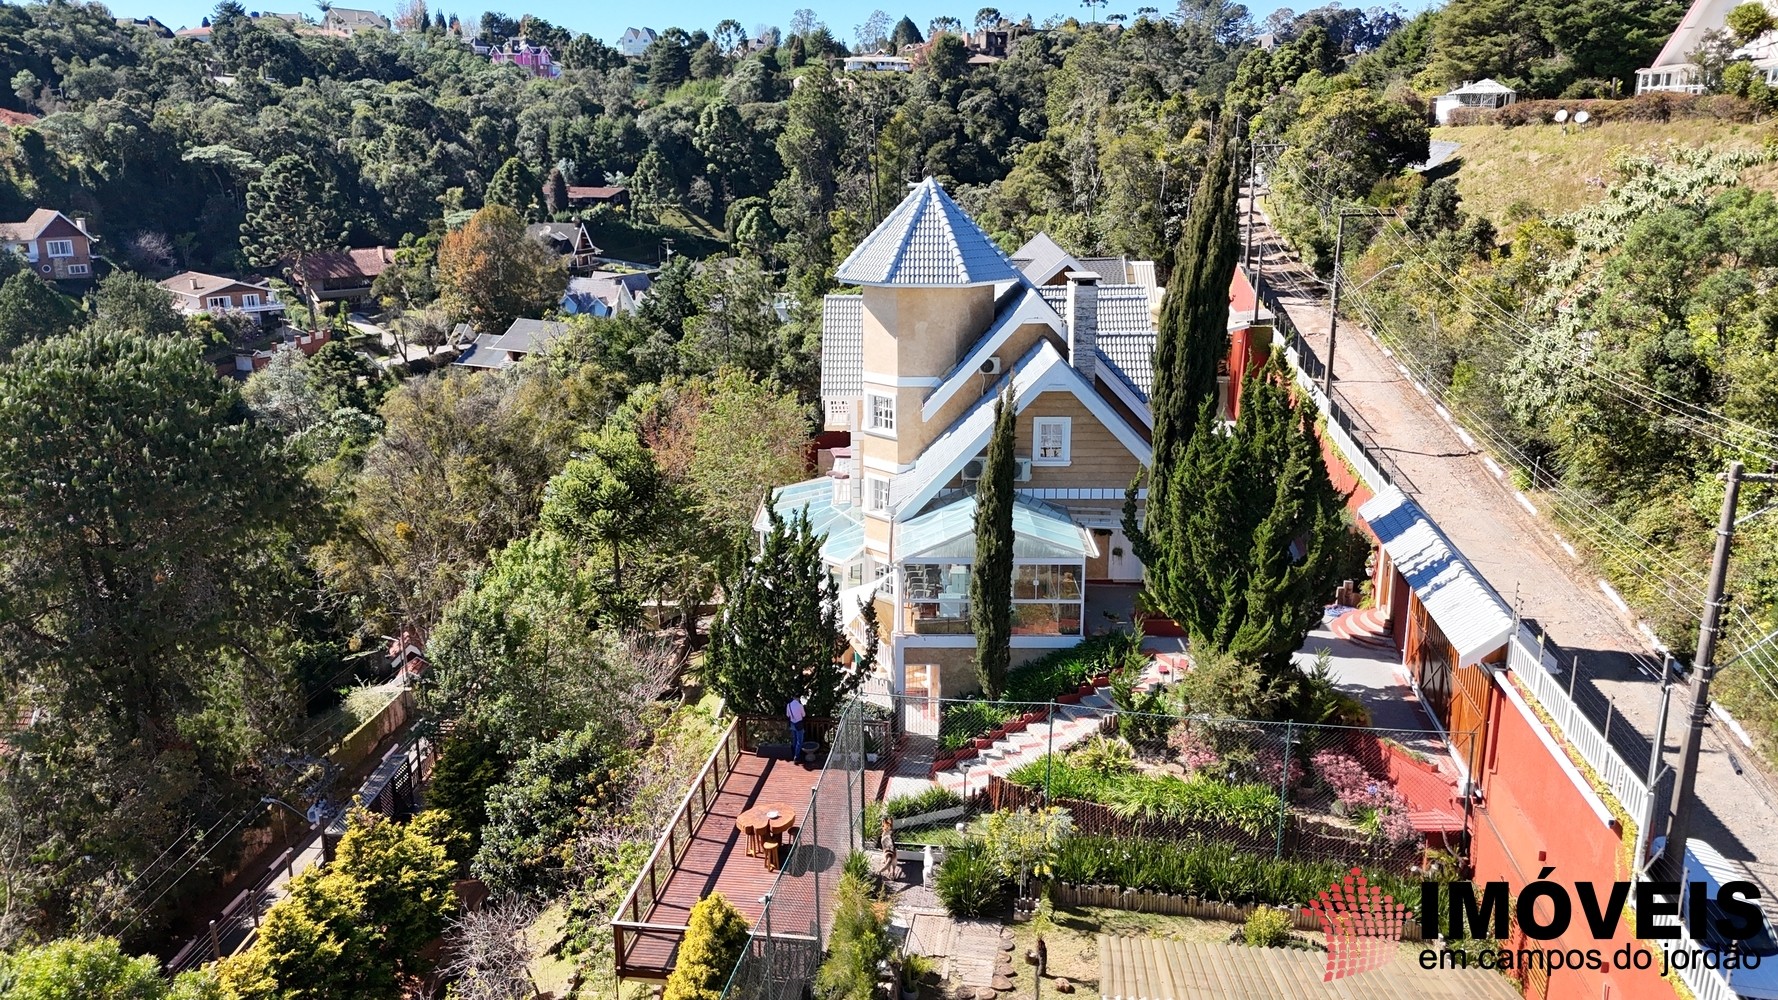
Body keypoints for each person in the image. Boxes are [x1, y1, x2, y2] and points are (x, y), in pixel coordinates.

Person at [787, 694, 806, 762]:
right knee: (799, 741)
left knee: (794, 739)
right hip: (799, 724)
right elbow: (803, 715)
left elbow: (788, 715)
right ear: (798, 698)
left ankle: (793, 754)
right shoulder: (800, 705)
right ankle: (796, 755)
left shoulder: (788, 705)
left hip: (792, 723)